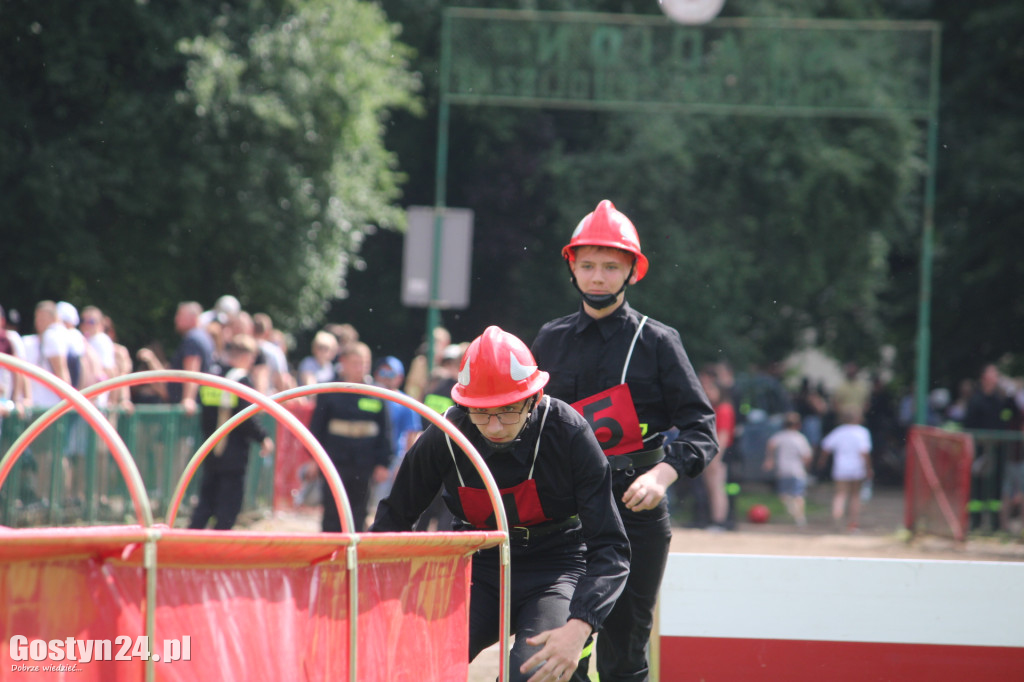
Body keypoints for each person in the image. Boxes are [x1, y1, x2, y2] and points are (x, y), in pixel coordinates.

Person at [371, 326, 629, 682]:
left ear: (534, 399)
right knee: (413, 662)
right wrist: (371, 595)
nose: (493, 426)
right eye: (481, 412)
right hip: (479, 566)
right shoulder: (447, 434)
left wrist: (580, 626)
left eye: (507, 411)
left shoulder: (569, 432)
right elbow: (394, 517)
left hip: (556, 567)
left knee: (535, 672)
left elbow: (611, 547)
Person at [531, 199, 718, 682]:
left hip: (635, 512)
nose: (597, 277)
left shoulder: (658, 341)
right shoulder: (548, 340)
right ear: (570, 266)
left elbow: (701, 428)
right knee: (559, 652)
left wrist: (662, 474)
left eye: (611, 267)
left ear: (634, 271)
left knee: (624, 656)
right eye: (587, 265)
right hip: (563, 516)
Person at [189, 334, 274, 530]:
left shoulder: (212, 375)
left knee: (206, 501)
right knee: (228, 505)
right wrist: (263, 437)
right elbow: (247, 415)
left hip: (210, 446)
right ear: (245, 355)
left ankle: (190, 542)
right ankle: (221, 547)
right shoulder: (240, 379)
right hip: (234, 451)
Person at [310, 341, 393, 532]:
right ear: (343, 362)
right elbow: (316, 428)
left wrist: (383, 463)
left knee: (359, 511)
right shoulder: (329, 391)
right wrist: (315, 460)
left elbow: (385, 430)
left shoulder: (376, 393)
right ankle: (330, 556)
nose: (361, 367)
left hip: (364, 463)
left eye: (364, 362)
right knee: (332, 510)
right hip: (334, 461)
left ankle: (353, 556)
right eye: (356, 362)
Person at [818, 409, 873, 532]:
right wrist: (868, 468)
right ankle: (853, 523)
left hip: (841, 467)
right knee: (855, 495)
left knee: (840, 494)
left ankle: (837, 519)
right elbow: (864, 452)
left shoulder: (839, 431)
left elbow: (826, 446)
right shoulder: (862, 432)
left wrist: (822, 461)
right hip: (857, 468)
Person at [763, 412, 814, 527]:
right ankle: (799, 516)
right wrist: (806, 465)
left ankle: (794, 513)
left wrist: (769, 459)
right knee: (798, 495)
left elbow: (770, 444)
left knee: (784, 495)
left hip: (783, 470)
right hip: (797, 471)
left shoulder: (779, 436)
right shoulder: (800, 438)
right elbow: (807, 455)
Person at [699, 370, 735, 531]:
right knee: (713, 488)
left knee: (717, 488)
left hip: (718, 454)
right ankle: (715, 520)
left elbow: (724, 435)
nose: (708, 393)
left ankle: (719, 521)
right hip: (713, 453)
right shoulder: (716, 408)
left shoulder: (724, 409)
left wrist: (716, 458)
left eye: (712, 390)